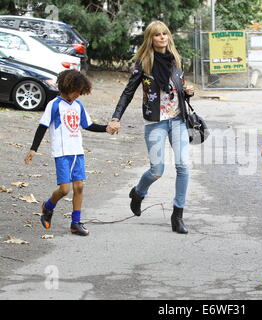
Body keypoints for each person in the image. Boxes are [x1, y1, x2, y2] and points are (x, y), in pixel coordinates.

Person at [107, 20, 194, 234]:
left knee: (183, 166)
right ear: (151, 38)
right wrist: (116, 117)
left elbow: (179, 88)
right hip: (155, 122)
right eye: (157, 34)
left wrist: (188, 90)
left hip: (178, 120)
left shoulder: (175, 60)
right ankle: (138, 192)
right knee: (157, 170)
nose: (162, 37)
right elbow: (128, 92)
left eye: (165, 33)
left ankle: (177, 215)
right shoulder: (143, 64)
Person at [24, 70, 111, 236]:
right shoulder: (54, 105)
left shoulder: (78, 106)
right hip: (62, 153)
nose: (78, 95)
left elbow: (88, 125)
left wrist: (106, 128)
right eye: (76, 91)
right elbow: (42, 127)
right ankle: (48, 207)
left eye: (80, 92)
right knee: (64, 190)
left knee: (79, 187)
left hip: (77, 151)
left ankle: (75, 223)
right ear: (67, 87)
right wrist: (33, 149)